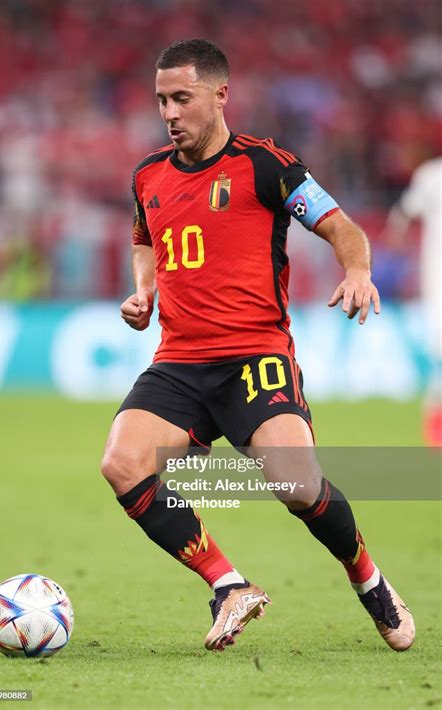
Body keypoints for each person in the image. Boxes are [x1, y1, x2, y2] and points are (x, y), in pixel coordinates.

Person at [101, 39, 415, 652]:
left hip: (255, 356)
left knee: (297, 484)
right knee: (122, 462)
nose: (169, 112)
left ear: (220, 95)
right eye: (162, 99)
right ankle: (229, 586)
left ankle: (368, 579)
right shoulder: (148, 175)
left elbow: (340, 225)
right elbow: (146, 235)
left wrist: (356, 271)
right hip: (180, 362)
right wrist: (145, 291)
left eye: (182, 99)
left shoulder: (267, 165)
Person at [384, 157, 442, 447]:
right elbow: (403, 212)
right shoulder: (432, 176)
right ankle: (435, 423)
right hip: (438, 279)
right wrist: (397, 249)